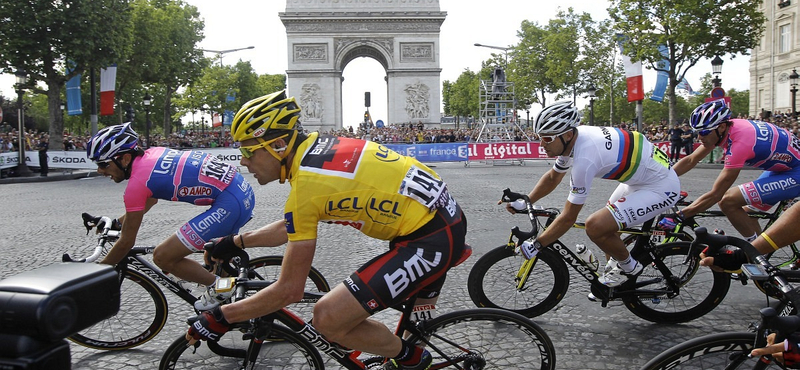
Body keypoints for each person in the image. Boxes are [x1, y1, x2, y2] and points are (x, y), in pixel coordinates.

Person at [186, 90, 468, 370]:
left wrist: (221, 316)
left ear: (280, 145)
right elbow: (294, 225)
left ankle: (414, 359)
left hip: (429, 240)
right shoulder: (318, 147)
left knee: (328, 318)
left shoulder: (309, 187)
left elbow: (289, 291)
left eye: (248, 150)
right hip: (443, 216)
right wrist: (236, 242)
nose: (244, 161)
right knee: (363, 324)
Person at [506, 100, 680, 289]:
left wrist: (537, 245)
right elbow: (552, 178)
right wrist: (527, 201)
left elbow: (568, 218)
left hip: (660, 187)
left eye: (547, 139)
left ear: (567, 134)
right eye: (540, 137)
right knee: (608, 228)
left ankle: (630, 268)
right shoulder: (574, 138)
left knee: (596, 226)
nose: (541, 144)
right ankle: (618, 273)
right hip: (641, 179)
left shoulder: (585, 159)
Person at [85, 122, 255, 310]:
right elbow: (150, 199)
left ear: (124, 158)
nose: (100, 170)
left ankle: (220, 288)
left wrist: (100, 269)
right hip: (240, 191)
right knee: (213, 258)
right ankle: (247, 310)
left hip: (230, 204)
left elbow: (126, 243)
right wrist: (117, 223)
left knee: (163, 257)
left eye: (103, 164)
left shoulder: (136, 184)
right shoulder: (153, 154)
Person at [660, 100, 800, 242]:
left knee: (729, 201)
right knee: (747, 214)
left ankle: (754, 252)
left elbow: (716, 195)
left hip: (795, 172)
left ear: (721, 127)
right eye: (697, 132)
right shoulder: (725, 129)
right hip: (783, 169)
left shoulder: (740, 143)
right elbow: (691, 159)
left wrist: (680, 215)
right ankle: (760, 254)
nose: (699, 137)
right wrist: (662, 178)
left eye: (703, 132)